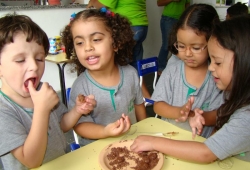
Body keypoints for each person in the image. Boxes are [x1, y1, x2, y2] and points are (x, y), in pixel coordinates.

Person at [131, 14, 250, 163]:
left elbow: (206, 153)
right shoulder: (237, 96)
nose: (211, 67)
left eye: (217, 62)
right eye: (181, 46)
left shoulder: (246, 115)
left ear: (245, 64)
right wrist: (191, 114)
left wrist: (153, 142)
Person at [0, 14, 96, 170]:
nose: (33, 66)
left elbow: (61, 126)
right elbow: (31, 161)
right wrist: (42, 109)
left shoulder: (43, 91)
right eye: (20, 60)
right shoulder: (3, 110)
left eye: (39, 58)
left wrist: (78, 111)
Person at [61, 8, 147, 146]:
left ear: (116, 43)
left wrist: (144, 131)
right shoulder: (81, 86)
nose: (87, 47)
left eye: (96, 39)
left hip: (130, 143)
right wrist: (105, 131)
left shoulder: (130, 73)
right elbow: (80, 126)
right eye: (79, 43)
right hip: (96, 149)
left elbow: (138, 105)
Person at [151, 4, 224, 138]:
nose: (187, 53)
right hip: (167, 139)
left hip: (199, 144)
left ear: (214, 42)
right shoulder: (172, 71)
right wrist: (179, 112)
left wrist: (198, 116)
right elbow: (158, 105)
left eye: (196, 48)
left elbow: (219, 114)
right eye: (181, 46)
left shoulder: (218, 77)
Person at [87, 0, 151, 99]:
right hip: (142, 25)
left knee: (120, 66)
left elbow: (103, 4)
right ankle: (147, 97)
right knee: (135, 66)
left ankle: (123, 99)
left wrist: (93, 2)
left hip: (128, 26)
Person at [157, 0, 190, 75]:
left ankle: (175, 68)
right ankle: (160, 68)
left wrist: (186, 18)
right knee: (166, 45)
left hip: (181, 20)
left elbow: (187, 4)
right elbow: (159, 3)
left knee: (178, 45)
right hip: (168, 19)